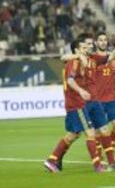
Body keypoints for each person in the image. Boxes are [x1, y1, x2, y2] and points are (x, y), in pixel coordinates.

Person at [44, 39, 107, 173]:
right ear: (77, 51)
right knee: (90, 133)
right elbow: (70, 80)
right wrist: (81, 91)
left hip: (73, 103)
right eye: (83, 48)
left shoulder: (77, 61)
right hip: (76, 103)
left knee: (72, 135)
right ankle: (98, 166)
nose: (87, 49)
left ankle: (51, 160)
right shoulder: (75, 62)